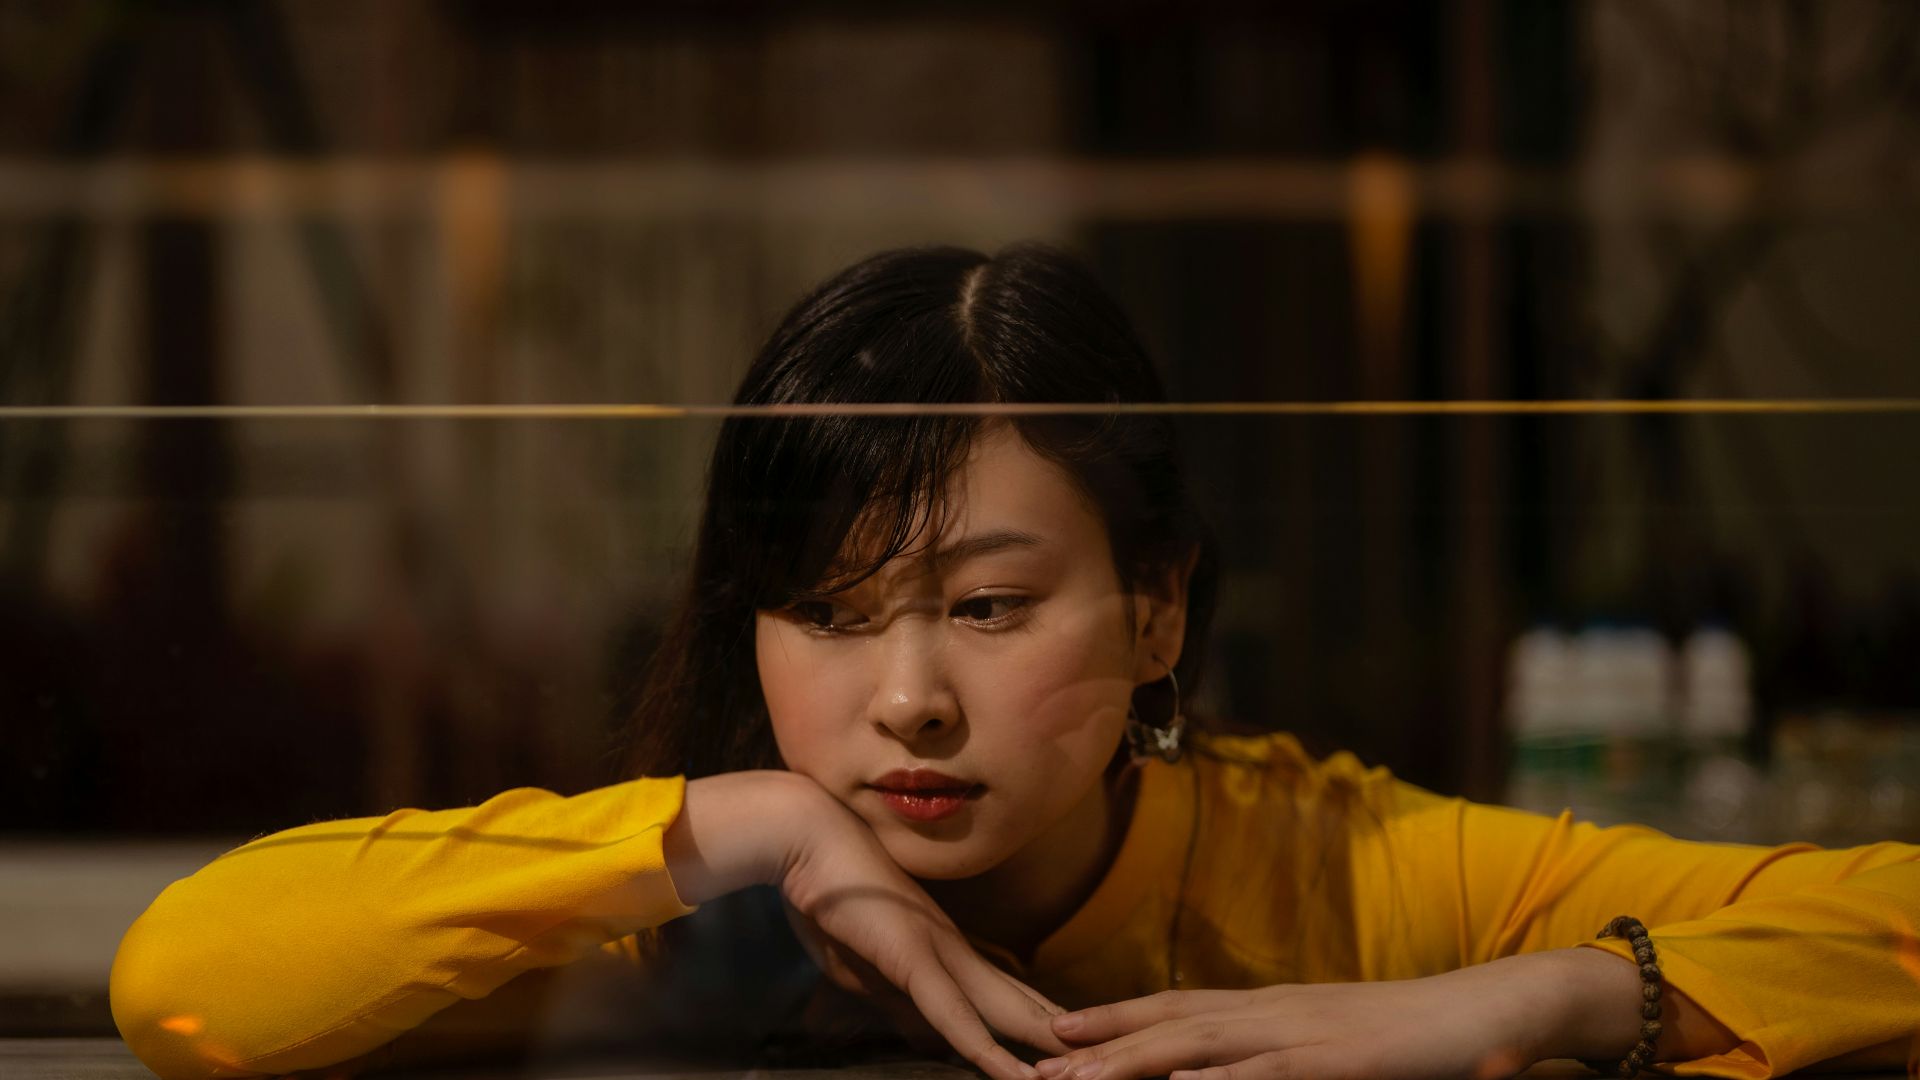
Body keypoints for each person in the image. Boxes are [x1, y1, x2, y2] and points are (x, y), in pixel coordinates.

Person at [111, 245, 1919, 1080]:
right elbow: (184, 984)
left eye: (984, 607)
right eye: (829, 612)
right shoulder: (681, 890)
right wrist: (759, 831)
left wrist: (1523, 1000)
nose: (906, 697)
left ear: (1157, 614)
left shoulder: (1343, 867)